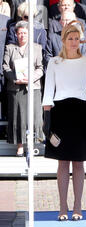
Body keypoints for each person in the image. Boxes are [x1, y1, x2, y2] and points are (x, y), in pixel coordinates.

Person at [42, 22, 86, 221]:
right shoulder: (54, 62)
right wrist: (46, 119)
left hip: (82, 113)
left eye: (77, 39)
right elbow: (48, 90)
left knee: (79, 163)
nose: (74, 42)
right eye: (70, 38)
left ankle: (78, 205)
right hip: (61, 113)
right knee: (62, 162)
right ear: (63, 40)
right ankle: (62, 206)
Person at [3, 21, 44, 157]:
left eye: (25, 33)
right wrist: (15, 78)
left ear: (29, 34)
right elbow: (5, 67)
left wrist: (30, 79)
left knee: (34, 116)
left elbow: (40, 68)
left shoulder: (37, 48)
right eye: (19, 33)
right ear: (16, 34)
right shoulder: (10, 48)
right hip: (15, 88)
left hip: (33, 87)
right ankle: (20, 146)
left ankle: (32, 145)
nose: (22, 35)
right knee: (17, 117)